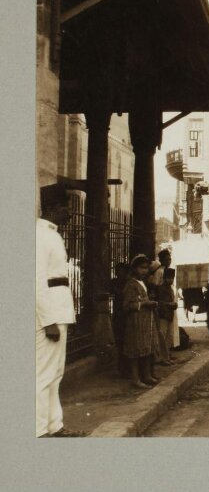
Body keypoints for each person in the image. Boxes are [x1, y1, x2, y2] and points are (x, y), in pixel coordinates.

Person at [36, 183, 80, 437]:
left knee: (55, 373)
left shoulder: (52, 234)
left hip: (58, 310)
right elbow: (37, 280)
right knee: (43, 374)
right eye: (66, 208)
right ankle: (39, 430)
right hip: (49, 314)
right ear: (53, 209)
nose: (70, 213)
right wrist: (49, 319)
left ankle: (54, 426)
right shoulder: (40, 235)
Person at [123, 254, 161, 389]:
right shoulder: (130, 285)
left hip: (145, 322)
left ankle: (146, 375)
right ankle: (135, 378)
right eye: (141, 268)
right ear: (134, 269)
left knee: (146, 349)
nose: (144, 271)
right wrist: (144, 304)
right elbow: (127, 305)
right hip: (135, 322)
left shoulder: (142, 283)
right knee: (136, 351)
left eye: (146, 268)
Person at [154, 268, 179, 361]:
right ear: (164, 278)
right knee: (162, 336)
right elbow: (158, 303)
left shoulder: (171, 289)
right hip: (163, 315)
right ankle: (162, 358)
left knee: (168, 337)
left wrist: (174, 305)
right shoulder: (160, 289)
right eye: (168, 278)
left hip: (169, 315)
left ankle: (166, 356)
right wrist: (169, 304)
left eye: (172, 278)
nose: (170, 280)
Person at [110, 262, 130, 378]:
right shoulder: (114, 282)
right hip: (118, 315)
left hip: (127, 314)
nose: (120, 274)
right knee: (120, 342)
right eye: (119, 271)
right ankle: (122, 368)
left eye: (123, 271)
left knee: (126, 342)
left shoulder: (128, 283)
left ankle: (126, 368)